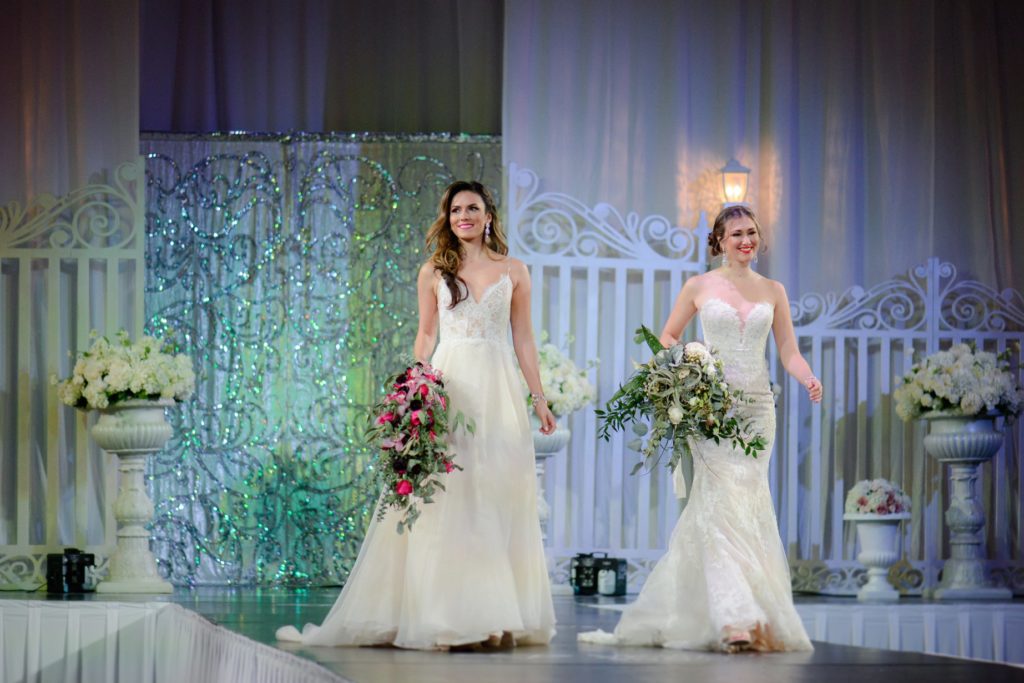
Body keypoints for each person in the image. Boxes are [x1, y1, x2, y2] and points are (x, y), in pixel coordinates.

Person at [276, 180, 557, 651]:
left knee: (494, 495)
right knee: (446, 498)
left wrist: (539, 397)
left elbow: (523, 339)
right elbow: (426, 334)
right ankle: (443, 616)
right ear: (447, 219)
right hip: (450, 386)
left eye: (472, 208)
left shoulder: (515, 271)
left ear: (490, 215)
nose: (462, 216)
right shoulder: (434, 270)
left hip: (499, 390)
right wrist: (417, 387)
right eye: (454, 210)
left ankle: (493, 615)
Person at [579, 205, 820, 653]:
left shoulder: (774, 290)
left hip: (757, 410)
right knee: (717, 505)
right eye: (736, 235)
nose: (745, 241)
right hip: (710, 407)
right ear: (719, 241)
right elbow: (668, 337)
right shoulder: (700, 285)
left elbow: (788, 348)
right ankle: (735, 618)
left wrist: (806, 376)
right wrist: (695, 362)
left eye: (752, 233)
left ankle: (749, 610)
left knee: (748, 504)